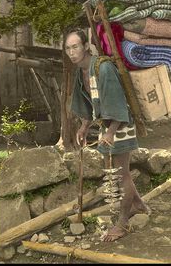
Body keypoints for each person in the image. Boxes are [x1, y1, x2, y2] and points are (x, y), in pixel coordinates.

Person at [65, 28, 151, 242]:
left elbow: (118, 105)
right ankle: (139, 205)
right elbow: (86, 101)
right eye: (67, 48)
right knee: (114, 170)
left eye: (75, 46)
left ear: (85, 46)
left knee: (120, 174)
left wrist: (111, 132)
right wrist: (84, 126)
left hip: (120, 125)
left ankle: (122, 223)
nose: (71, 52)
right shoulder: (81, 71)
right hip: (107, 125)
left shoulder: (103, 68)